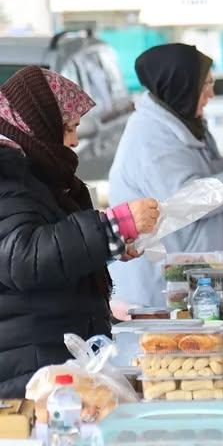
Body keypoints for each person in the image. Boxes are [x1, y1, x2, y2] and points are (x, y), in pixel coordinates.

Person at [0, 66, 159, 397]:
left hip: (54, 355)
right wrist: (112, 227)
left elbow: (54, 246)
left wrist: (110, 244)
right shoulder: (6, 173)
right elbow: (24, 257)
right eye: (69, 128)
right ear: (37, 123)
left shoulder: (35, 170)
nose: (73, 141)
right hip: (30, 367)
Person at [108, 43, 223, 311]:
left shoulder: (182, 121)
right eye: (205, 84)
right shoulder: (151, 137)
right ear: (180, 86)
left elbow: (204, 170)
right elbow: (186, 198)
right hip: (157, 289)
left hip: (185, 275)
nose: (211, 93)